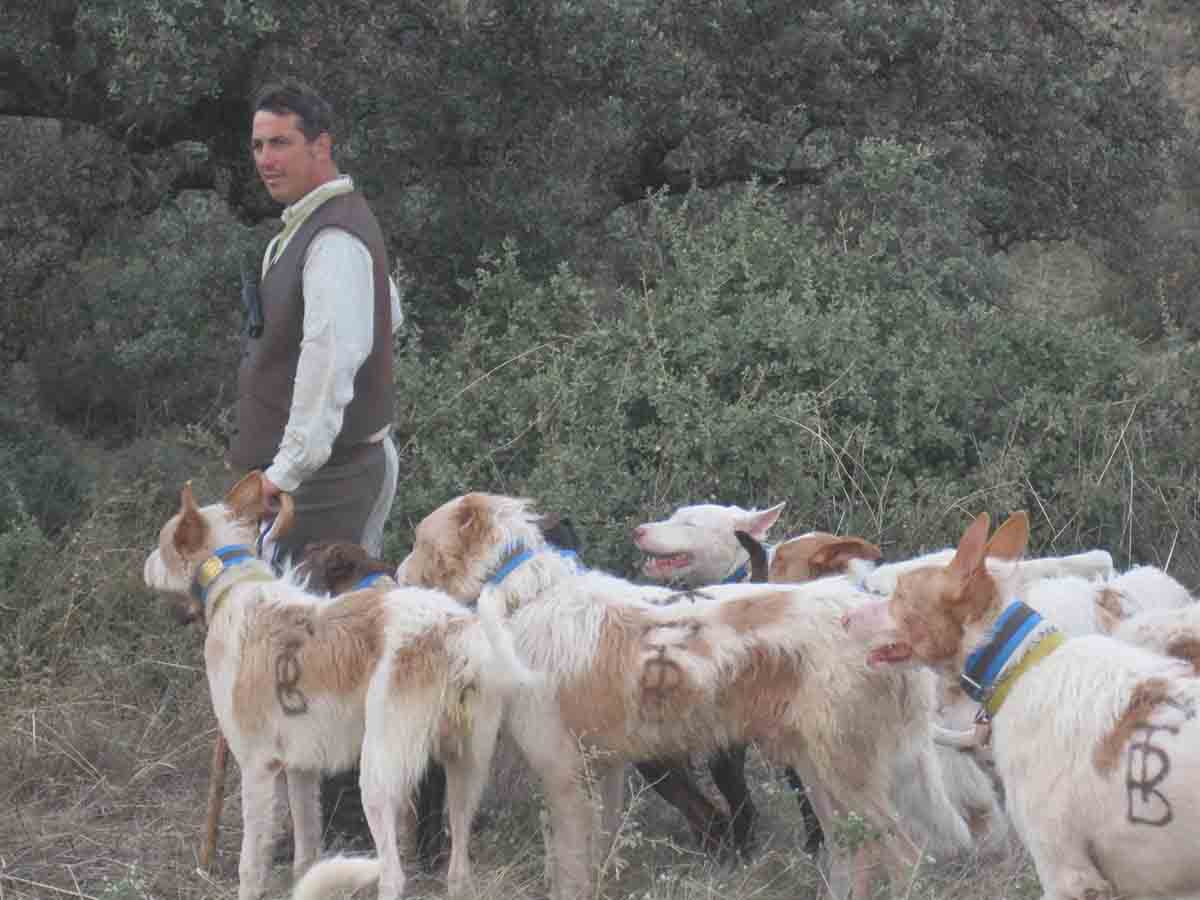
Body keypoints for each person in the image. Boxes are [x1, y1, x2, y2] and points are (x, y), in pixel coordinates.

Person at [228, 79, 402, 564]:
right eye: (259, 146)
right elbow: (390, 314)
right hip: (315, 473)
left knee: (314, 629)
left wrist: (285, 473)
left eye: (281, 143)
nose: (266, 159)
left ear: (320, 146)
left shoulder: (333, 240)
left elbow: (329, 362)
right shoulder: (308, 228)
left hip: (327, 477)